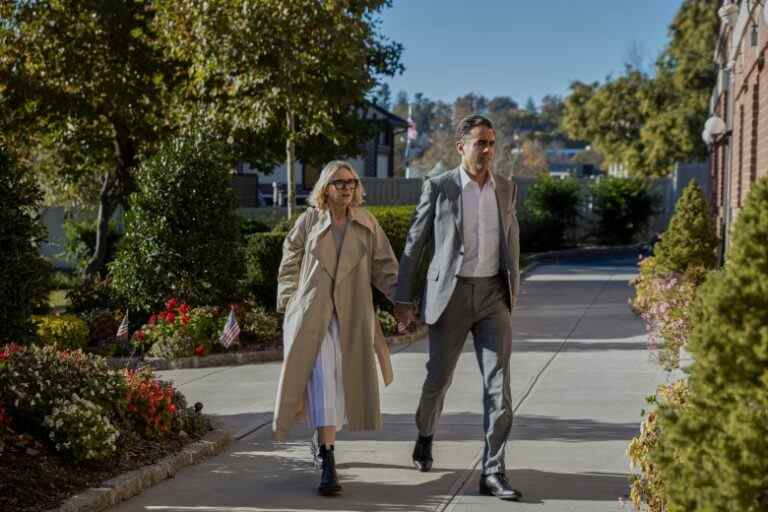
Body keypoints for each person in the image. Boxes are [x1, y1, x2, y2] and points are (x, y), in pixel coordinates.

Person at [393, 114, 522, 501]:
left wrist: (511, 286)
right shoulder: (440, 187)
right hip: (449, 297)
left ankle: (493, 470)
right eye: (479, 143)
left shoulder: (506, 188)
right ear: (461, 146)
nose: (486, 150)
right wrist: (403, 299)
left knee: (499, 386)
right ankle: (425, 435)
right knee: (438, 379)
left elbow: (510, 239)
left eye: (491, 143)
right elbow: (415, 246)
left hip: (492, 296)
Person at [273, 160, 399, 496]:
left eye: (352, 182)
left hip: (351, 315)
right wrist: (289, 303)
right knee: (323, 378)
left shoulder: (367, 223)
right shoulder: (309, 221)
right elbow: (290, 262)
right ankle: (328, 461)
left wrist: (403, 302)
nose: (347, 187)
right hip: (313, 314)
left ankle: (322, 441)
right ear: (325, 188)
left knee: (340, 384)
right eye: (339, 182)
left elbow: (386, 267)